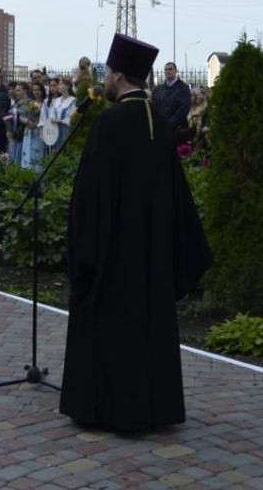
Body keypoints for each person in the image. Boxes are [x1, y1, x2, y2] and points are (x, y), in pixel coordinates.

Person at [60, 32, 211, 433]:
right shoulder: (160, 124)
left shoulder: (109, 122)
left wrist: (83, 252)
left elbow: (90, 199)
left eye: (108, 72)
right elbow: (178, 200)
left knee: (112, 327)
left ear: (117, 75)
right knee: (149, 328)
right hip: (153, 253)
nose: (105, 78)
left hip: (114, 255)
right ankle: (154, 409)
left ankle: (108, 409)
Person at [152, 61, 192, 146]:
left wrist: (170, 123)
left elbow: (184, 108)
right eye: (166, 69)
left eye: (170, 69)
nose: (167, 71)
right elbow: (154, 106)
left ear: (175, 71)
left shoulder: (183, 88)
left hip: (177, 129)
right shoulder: (158, 89)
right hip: (161, 129)